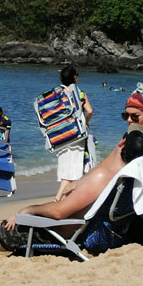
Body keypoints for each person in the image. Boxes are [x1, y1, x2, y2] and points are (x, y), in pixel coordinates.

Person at [0, 128, 143, 264]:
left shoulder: (101, 177)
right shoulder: (122, 176)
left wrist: (27, 211)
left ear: (122, 142)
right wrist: (78, 184)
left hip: (54, 231)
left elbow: (58, 212)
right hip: (72, 227)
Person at [55, 65, 94, 201]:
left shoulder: (57, 94)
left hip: (59, 134)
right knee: (73, 169)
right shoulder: (80, 93)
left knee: (66, 167)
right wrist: (87, 123)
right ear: (75, 78)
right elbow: (89, 111)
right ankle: (59, 198)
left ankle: (63, 197)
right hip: (75, 134)